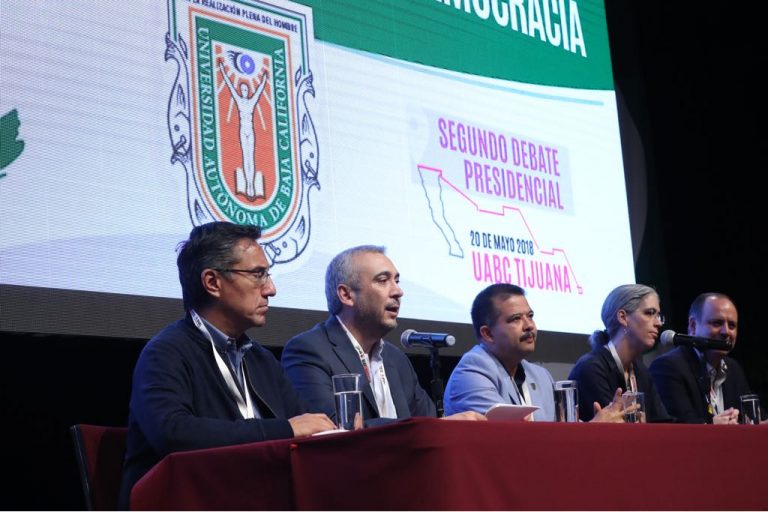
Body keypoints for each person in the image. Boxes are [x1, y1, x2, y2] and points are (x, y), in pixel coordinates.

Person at [118, 222, 334, 508]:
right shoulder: (166, 352)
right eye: (258, 274)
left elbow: (306, 422)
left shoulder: (260, 359)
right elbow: (173, 434)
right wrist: (283, 430)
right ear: (212, 283)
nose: (271, 289)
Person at [280, 245, 484, 425]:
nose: (398, 291)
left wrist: (445, 425)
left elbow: (427, 423)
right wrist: (417, 427)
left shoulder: (396, 359)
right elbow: (335, 429)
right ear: (346, 295)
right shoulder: (309, 351)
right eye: (383, 280)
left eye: (396, 280)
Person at [444, 283, 627, 422]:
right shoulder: (472, 371)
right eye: (516, 319)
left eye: (530, 316)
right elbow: (512, 436)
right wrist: (593, 429)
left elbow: (564, 432)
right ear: (488, 333)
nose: (529, 326)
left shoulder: (540, 375)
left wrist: (595, 428)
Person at [568, 284, 672, 422]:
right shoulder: (591, 368)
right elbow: (613, 429)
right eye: (649, 313)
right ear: (623, 317)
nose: (658, 323)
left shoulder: (641, 370)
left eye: (659, 316)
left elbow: (663, 423)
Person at [649, 292, 757, 424]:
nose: (726, 332)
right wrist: (713, 427)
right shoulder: (668, 367)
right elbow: (679, 429)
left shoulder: (733, 368)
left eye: (732, 326)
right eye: (717, 323)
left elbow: (753, 416)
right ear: (693, 326)